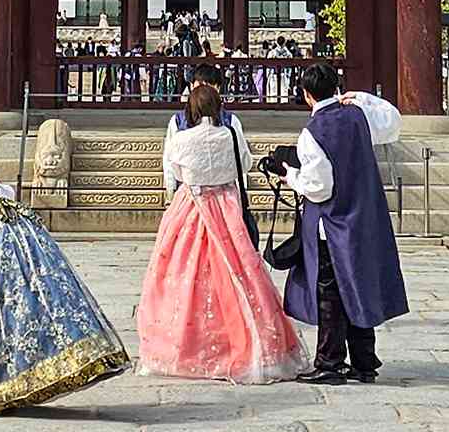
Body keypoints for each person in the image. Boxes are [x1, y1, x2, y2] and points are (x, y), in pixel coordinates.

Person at [0, 153, 128, 414]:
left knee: (2, 315)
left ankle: (1, 385)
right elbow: (8, 193)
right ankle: (78, 354)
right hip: (30, 237)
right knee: (43, 302)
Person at [138, 81, 304, 383]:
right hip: (226, 206)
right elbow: (246, 163)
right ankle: (249, 340)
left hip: (192, 206)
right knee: (240, 271)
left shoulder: (183, 139)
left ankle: (184, 345)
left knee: (182, 274)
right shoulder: (230, 135)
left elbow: (177, 171)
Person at [268, 62, 407, 385]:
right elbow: (392, 120)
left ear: (306, 94)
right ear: (336, 88)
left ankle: (330, 362)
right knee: (356, 285)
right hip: (365, 216)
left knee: (330, 292)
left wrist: (291, 176)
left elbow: (320, 187)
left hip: (332, 223)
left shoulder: (312, 133)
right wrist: (360, 97)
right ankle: (364, 360)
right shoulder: (359, 116)